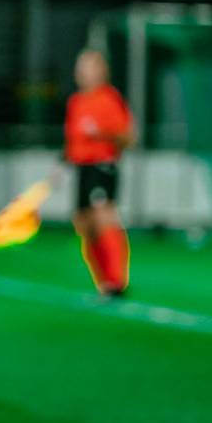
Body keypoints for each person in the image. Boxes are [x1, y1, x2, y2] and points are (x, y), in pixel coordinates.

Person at [64, 49, 135, 297]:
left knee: (103, 217)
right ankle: (102, 282)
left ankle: (117, 281)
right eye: (79, 67)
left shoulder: (109, 99)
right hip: (82, 169)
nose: (81, 72)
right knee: (84, 224)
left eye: (88, 67)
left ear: (102, 71)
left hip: (102, 166)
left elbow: (129, 138)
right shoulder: (76, 102)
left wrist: (101, 133)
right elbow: (73, 141)